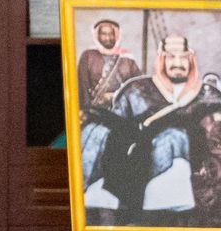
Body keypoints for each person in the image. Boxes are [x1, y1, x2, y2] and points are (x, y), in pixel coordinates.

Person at [93, 34, 207, 215]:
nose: (178, 63)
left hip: (201, 190)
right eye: (171, 57)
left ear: (191, 59)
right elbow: (114, 134)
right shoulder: (134, 91)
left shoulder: (208, 95)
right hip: (139, 183)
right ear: (161, 59)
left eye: (183, 57)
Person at [76, 19, 139, 195]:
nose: (108, 37)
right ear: (98, 36)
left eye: (111, 34)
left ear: (116, 35)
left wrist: (117, 95)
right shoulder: (88, 56)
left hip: (121, 114)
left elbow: (138, 87)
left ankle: (114, 190)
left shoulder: (127, 59)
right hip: (93, 112)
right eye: (104, 34)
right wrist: (83, 110)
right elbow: (81, 85)